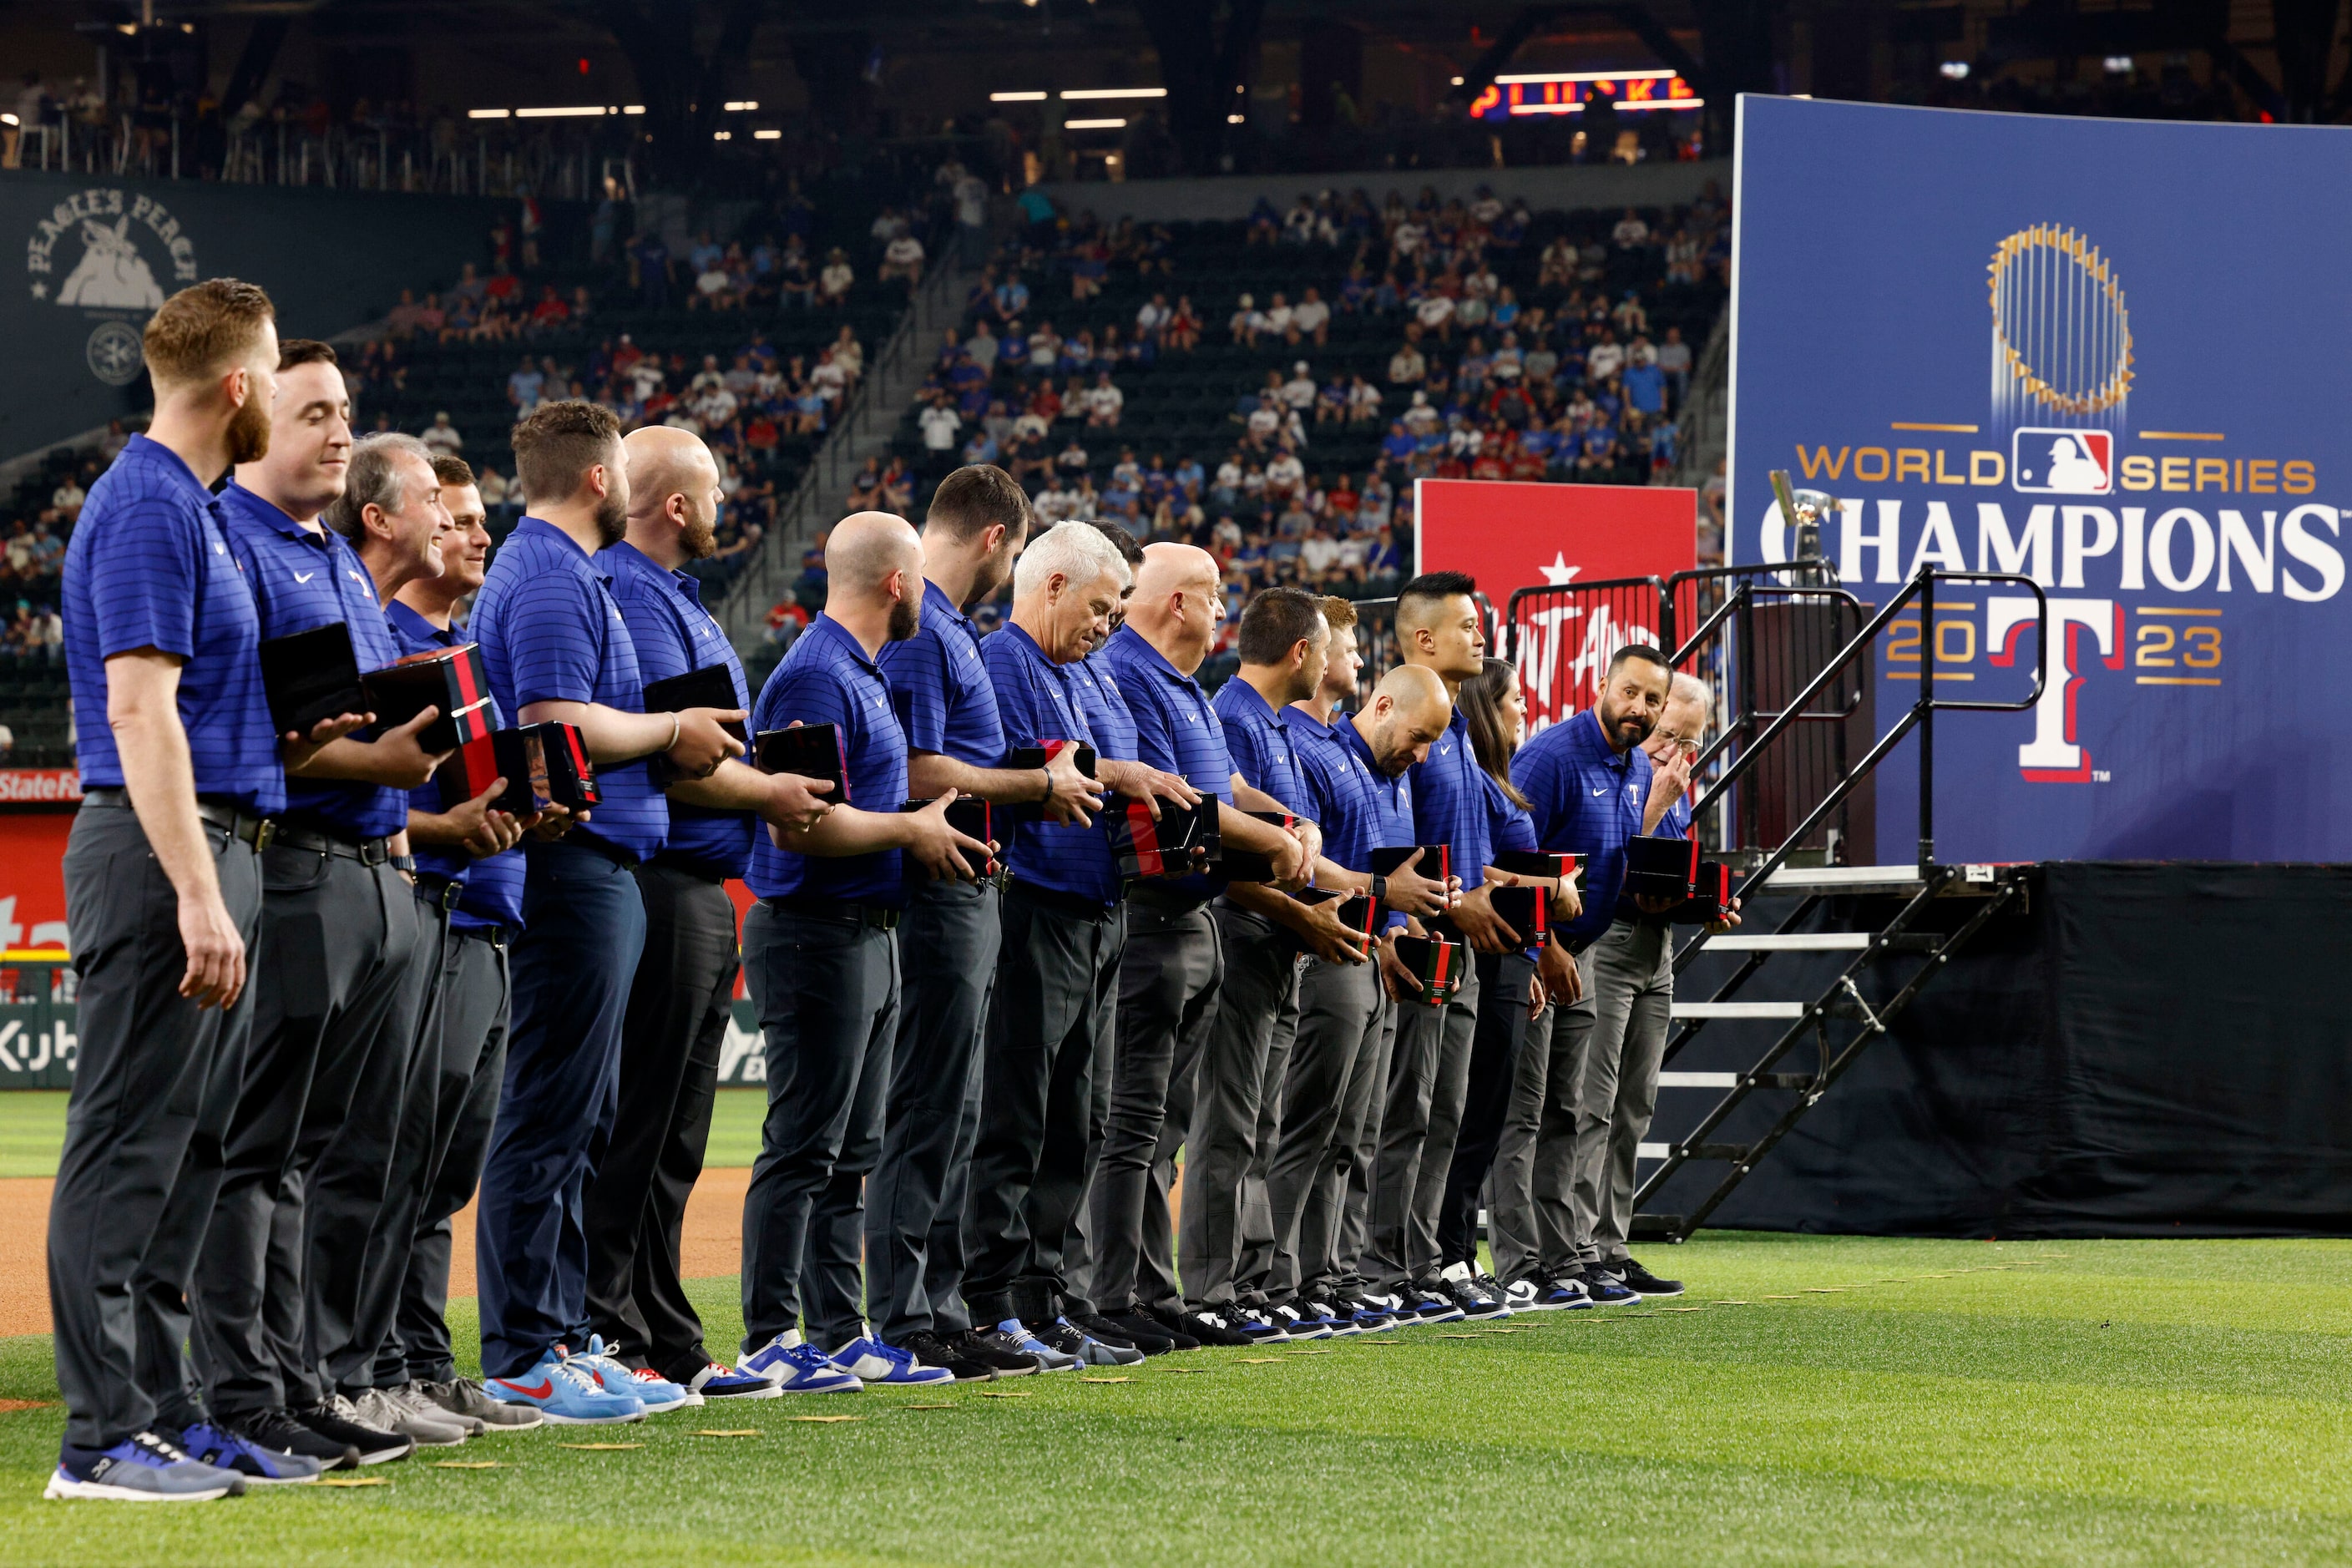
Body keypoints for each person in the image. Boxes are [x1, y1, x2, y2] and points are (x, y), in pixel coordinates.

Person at [49, 280, 307, 1502]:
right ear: (241, 388)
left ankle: (164, 1414)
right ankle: (98, 1437)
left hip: (214, 846)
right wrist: (200, 895)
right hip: (166, 853)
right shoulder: (150, 505)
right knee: (123, 1148)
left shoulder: (190, 507)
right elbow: (138, 710)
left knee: (188, 1155)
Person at [468, 401, 747, 1423]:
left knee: (584, 1118)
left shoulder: (569, 572)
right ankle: (525, 1350)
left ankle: (565, 1336)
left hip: (606, 871)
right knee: (551, 1114)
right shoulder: (547, 577)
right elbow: (548, 725)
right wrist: (672, 723)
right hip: (574, 868)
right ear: (599, 478)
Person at [201, 369, 458, 1464]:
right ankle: (241, 1388)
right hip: (300, 862)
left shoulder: (330, 561)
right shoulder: (238, 542)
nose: (339, 431)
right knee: (261, 1147)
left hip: (365, 861)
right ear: (254, 420)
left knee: (313, 1152)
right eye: (318, 414)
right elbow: (267, 725)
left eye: (346, 415)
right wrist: (382, 757)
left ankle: (301, 1377)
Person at [580, 427, 837, 1404]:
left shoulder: (675, 601)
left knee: (672, 1137)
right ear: (677, 505)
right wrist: (769, 792)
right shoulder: (636, 600)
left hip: (697, 889)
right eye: (716, 487)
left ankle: (661, 1331)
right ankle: (614, 1326)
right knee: (638, 1126)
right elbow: (678, 761)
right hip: (662, 881)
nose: (730, 500)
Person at [736, 513, 992, 1393]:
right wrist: (911, 830)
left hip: (865, 932)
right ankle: (770, 1335)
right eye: (920, 577)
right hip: (816, 930)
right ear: (897, 583)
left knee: (850, 1152)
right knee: (804, 1143)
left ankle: (841, 1335)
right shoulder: (815, 674)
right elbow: (800, 822)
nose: (926, 591)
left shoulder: (858, 672)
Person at [866, 466, 1097, 1383]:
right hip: (936, 895)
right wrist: (1039, 784)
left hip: (972, 890)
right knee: (927, 1107)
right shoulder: (923, 629)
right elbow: (918, 771)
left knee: (955, 1111)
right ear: (1000, 539)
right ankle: (903, 1316)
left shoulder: (952, 629)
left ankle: (939, 1308)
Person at [964, 523, 1178, 1370]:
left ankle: (1047, 1298)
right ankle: (996, 1300)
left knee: (1076, 1122)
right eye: (1098, 606)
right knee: (1017, 1116)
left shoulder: (1088, 673)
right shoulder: (1003, 662)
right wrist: (1113, 773)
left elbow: (1110, 765)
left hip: (1099, 912)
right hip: (1036, 909)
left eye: (1117, 610)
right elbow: (1026, 771)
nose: (1107, 625)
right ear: (1051, 585)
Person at [1093, 559, 1311, 1354]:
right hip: (1148, 914)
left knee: (1164, 1125)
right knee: (1134, 1121)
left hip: (1194, 916)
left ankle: (1148, 1289)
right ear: (1180, 601)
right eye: (1215, 593)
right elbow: (1181, 797)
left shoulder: (1184, 684)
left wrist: (1281, 818)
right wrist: (1276, 841)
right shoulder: (1129, 674)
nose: (1224, 607)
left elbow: (1227, 783)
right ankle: (1112, 1292)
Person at [382, 457, 544, 1433]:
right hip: (428, 916)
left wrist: (532, 814)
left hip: (487, 921)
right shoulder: (392, 648)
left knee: (445, 1168)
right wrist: (448, 832)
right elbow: (363, 793)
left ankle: (426, 1363)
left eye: (483, 520)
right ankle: (378, 1366)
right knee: (397, 1161)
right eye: (462, 520)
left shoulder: (461, 650)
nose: (481, 535)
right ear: (416, 530)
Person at [1266, 629, 1456, 1333]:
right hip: (1327, 961)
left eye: (1433, 742)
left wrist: (1405, 923)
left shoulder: (1395, 781)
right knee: (1308, 1128)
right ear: (1379, 705)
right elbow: (1306, 868)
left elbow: (1391, 885)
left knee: (1354, 1133)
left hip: (1374, 965)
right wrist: (1382, 910)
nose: (1421, 755)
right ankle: (1276, 1278)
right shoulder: (1317, 756)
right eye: (1416, 736)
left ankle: (1331, 1274)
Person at [1365, 572, 1525, 1325]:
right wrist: (1433, 911)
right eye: (1466, 624)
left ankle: (1421, 1260)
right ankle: (1380, 1265)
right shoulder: (1415, 733)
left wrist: (1487, 882)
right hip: (1418, 945)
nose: (1480, 635)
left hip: (1454, 949)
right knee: (1403, 1113)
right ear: (1422, 639)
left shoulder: (1457, 729)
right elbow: (1398, 851)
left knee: (1440, 1116)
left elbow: (1466, 847)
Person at [1495, 643, 1674, 1308]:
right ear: (1602, 685)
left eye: (1652, 699)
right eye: (1629, 692)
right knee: (1525, 1111)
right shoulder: (1550, 756)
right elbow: (1510, 855)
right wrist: (1539, 948)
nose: (1639, 708)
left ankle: (1564, 1254)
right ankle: (1518, 1261)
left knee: (1568, 1112)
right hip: (1535, 952)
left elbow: (1607, 863)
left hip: (1585, 955)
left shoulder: (1632, 767)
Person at [1569, 672, 1729, 1301]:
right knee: (1592, 1102)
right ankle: (1575, 1248)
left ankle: (1610, 1244)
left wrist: (1703, 899)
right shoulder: (1612, 770)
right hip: (1605, 943)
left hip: (1653, 946)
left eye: (1689, 743)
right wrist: (1658, 800)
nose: (1674, 754)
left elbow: (1665, 861)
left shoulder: (1671, 778)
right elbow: (1602, 856)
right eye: (1667, 736)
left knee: (1632, 1106)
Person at [1435, 658, 1584, 1313]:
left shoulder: (1488, 775)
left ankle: (1458, 1251)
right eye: (1513, 700)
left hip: (1509, 955)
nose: (1524, 710)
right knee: (1466, 1114)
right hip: (1484, 952)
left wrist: (1533, 941)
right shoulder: (1468, 771)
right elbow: (1478, 870)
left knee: (1487, 1112)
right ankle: (1446, 1254)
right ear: (1481, 709)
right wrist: (1546, 890)